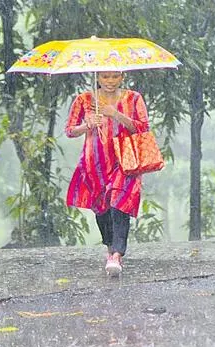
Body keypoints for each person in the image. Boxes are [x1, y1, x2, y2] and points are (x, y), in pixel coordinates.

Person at [65, 71, 150, 276]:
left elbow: (143, 127)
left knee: (119, 200)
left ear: (122, 77)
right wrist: (87, 125)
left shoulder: (134, 98)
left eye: (114, 77)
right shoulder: (84, 100)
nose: (109, 81)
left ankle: (117, 254)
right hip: (94, 163)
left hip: (125, 161)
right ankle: (110, 248)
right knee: (102, 207)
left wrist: (116, 114)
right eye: (104, 77)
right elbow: (69, 130)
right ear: (98, 78)